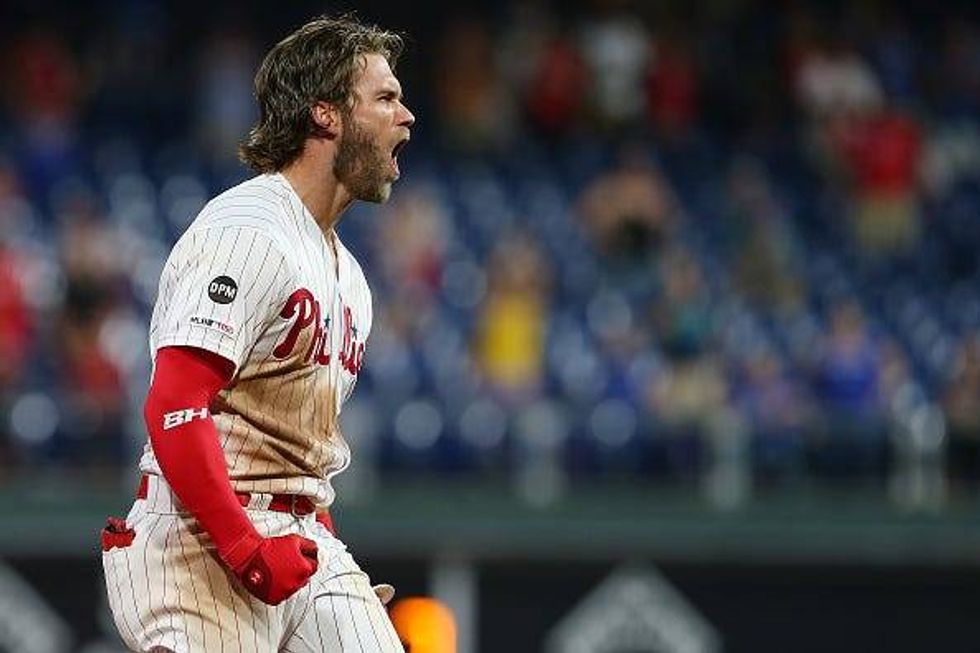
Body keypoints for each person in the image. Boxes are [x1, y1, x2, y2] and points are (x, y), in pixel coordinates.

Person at [100, 15, 414, 652]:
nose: (406, 115)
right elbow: (176, 404)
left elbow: (295, 448)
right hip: (196, 541)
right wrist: (244, 545)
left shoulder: (349, 276)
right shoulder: (248, 229)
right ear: (326, 114)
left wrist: (326, 568)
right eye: (385, 98)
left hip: (300, 536)